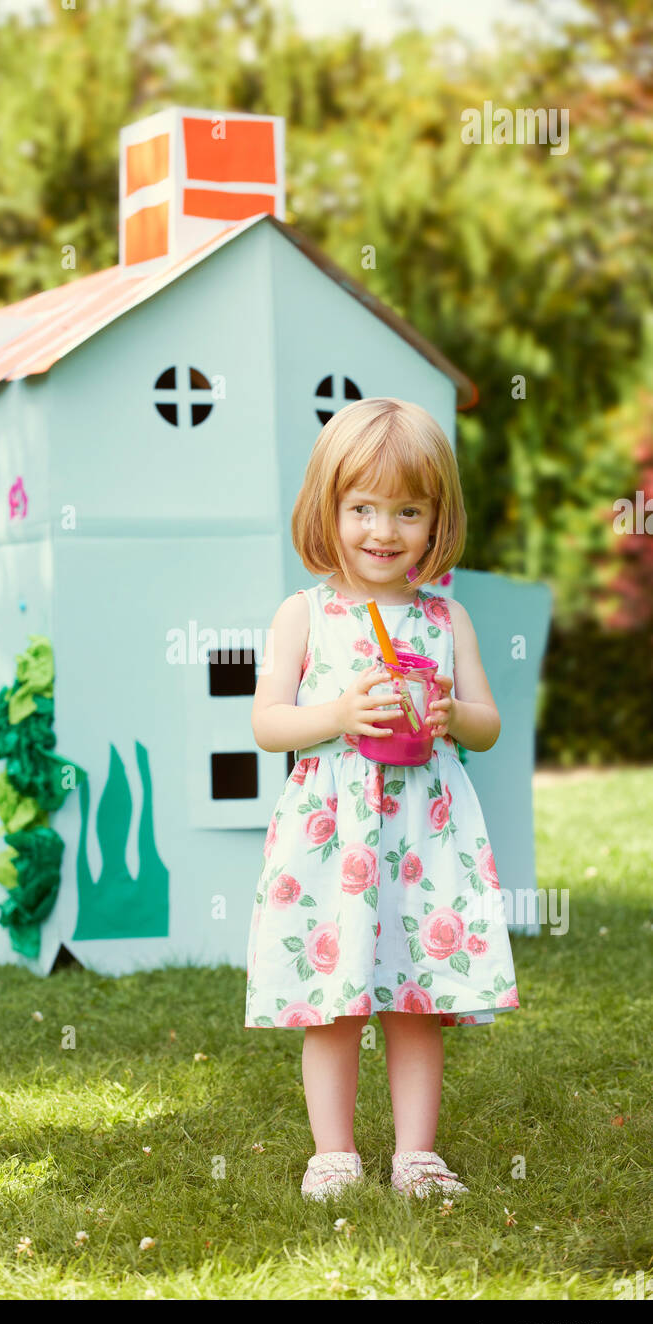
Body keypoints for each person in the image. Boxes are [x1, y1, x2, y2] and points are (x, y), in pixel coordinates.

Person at [244, 397, 519, 1201]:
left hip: (423, 837)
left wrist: (452, 714)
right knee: (334, 1001)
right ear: (328, 509)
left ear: (437, 520)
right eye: (362, 507)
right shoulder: (304, 615)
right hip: (335, 836)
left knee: (415, 997)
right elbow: (267, 723)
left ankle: (416, 1155)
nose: (383, 530)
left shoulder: (445, 618)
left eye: (408, 511)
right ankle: (333, 1154)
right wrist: (338, 713)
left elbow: (489, 725)